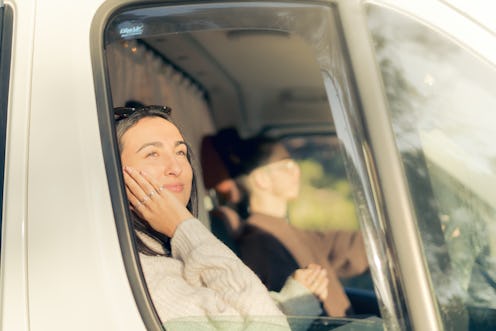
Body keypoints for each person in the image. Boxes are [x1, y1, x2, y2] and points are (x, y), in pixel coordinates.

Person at [114, 105, 290, 329]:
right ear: (113, 172)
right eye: (152, 154)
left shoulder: (166, 252)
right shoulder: (144, 276)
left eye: (180, 152)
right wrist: (184, 227)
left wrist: (295, 303)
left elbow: (234, 316)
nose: (176, 167)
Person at [235, 136, 370, 317]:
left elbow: (346, 247)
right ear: (261, 179)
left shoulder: (288, 232)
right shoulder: (259, 242)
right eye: (286, 165)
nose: (296, 171)